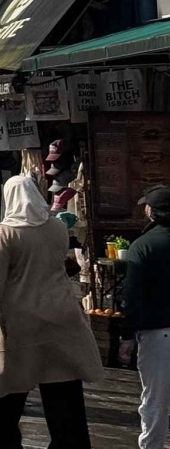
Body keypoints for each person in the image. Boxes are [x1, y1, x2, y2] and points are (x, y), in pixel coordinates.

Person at [0, 176, 103, 447]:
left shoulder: (6, 232)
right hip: (61, 318)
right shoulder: (56, 227)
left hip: (19, 323)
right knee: (64, 399)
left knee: (4, 397)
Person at [121, 184, 170, 449]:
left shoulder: (142, 246)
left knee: (155, 401)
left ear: (152, 211)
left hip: (157, 333)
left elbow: (132, 296)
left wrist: (127, 336)